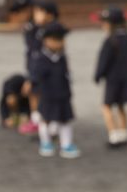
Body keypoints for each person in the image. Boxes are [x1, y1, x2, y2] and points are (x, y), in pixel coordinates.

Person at [33, 21, 80, 159]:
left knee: (65, 120)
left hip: (63, 95)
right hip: (48, 96)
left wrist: (69, 92)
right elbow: (36, 79)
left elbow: (66, 76)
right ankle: (46, 142)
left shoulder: (62, 57)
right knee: (45, 120)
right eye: (55, 39)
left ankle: (66, 144)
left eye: (61, 39)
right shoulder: (41, 59)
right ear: (46, 41)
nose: (59, 43)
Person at [94, 6, 127, 148]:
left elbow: (104, 60)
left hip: (113, 80)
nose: (102, 24)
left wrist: (98, 75)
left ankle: (113, 135)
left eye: (104, 22)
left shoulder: (110, 40)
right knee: (121, 106)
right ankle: (124, 133)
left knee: (106, 106)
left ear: (111, 23)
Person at [18, 0, 58, 136]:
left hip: (47, 70)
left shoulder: (53, 30)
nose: (36, 15)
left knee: (48, 94)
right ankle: (36, 119)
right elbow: (31, 49)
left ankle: (52, 121)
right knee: (33, 92)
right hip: (33, 66)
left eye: (40, 12)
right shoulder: (32, 28)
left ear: (50, 14)